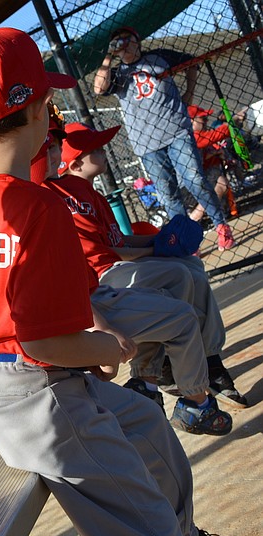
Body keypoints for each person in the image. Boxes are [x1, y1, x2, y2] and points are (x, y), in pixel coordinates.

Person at [0, 27, 249, 536]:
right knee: (136, 524)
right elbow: (44, 343)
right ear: (40, 108)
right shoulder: (40, 208)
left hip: (4, 377)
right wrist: (113, 349)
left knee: (148, 426)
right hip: (32, 393)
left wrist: (86, 335)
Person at [54, 121, 249, 409]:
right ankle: (167, 367)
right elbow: (107, 252)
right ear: (76, 162)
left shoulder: (92, 193)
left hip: (117, 268)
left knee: (190, 266)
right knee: (178, 274)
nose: (104, 151)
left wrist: (158, 241)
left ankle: (208, 359)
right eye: (95, 149)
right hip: (103, 277)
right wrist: (155, 250)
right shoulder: (69, 194)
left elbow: (119, 239)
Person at [94, 26, 236, 251]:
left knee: (195, 179)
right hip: (147, 144)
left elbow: (191, 63)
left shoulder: (158, 57)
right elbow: (99, 88)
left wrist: (189, 94)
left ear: (138, 40)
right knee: (169, 195)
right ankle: (187, 242)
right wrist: (109, 56)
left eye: (128, 39)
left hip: (176, 131)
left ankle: (221, 225)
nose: (124, 44)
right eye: (118, 41)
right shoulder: (118, 73)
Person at [188, 104, 239, 221]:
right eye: (202, 119)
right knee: (220, 182)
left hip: (197, 180)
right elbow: (218, 134)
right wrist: (234, 120)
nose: (206, 121)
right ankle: (193, 220)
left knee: (221, 181)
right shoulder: (192, 136)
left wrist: (217, 153)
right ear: (191, 121)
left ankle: (215, 215)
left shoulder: (200, 135)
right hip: (187, 187)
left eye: (206, 119)